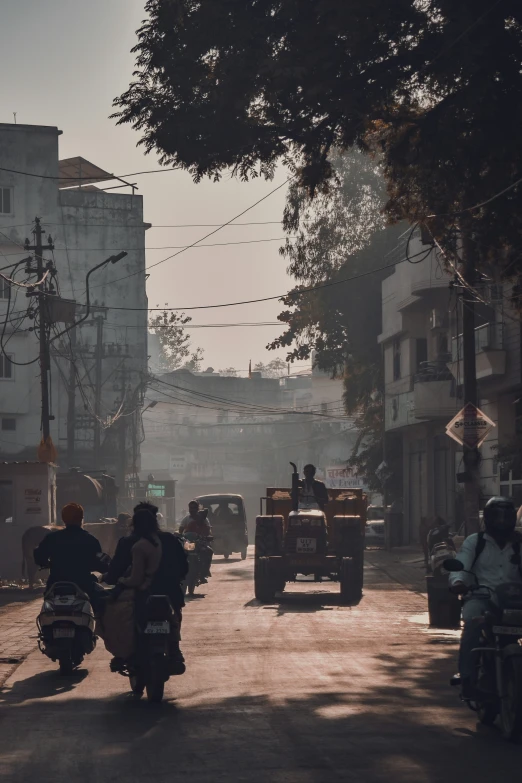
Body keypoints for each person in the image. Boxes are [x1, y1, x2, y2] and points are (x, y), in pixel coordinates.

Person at [449, 496, 522, 697]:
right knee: (472, 622)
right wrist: (458, 582)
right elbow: (462, 564)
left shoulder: (518, 544)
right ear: (488, 519)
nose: (502, 522)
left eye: (506, 518)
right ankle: (467, 677)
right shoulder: (476, 541)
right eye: (497, 518)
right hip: (481, 597)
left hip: (514, 601)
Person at [102, 501, 188, 672]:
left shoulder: (130, 543)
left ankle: (121, 653)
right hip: (170, 594)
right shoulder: (169, 539)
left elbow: (120, 573)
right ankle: (175, 649)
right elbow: (183, 568)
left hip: (139, 594)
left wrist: (115, 581)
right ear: (155, 520)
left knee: (112, 612)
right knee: (175, 614)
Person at [33, 503, 108, 610]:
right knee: (101, 605)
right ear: (82, 518)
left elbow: (39, 556)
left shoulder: (52, 538)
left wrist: (47, 563)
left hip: (56, 584)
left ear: (63, 519)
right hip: (83, 585)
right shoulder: (90, 540)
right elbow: (100, 564)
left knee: (47, 609)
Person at [179, 500, 213, 581]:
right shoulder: (186, 519)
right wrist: (179, 535)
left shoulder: (205, 520)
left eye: (194, 508)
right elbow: (180, 530)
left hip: (200, 543)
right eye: (191, 508)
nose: (192, 509)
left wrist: (207, 537)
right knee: (179, 553)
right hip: (189, 543)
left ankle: (204, 572)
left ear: (198, 509)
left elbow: (208, 531)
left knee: (209, 551)